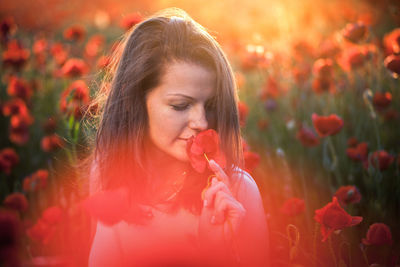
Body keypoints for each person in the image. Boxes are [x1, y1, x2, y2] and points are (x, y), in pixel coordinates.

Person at [86, 7, 269, 267]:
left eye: (211, 105)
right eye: (181, 105)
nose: (202, 122)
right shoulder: (107, 176)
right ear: (136, 101)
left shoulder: (238, 194)